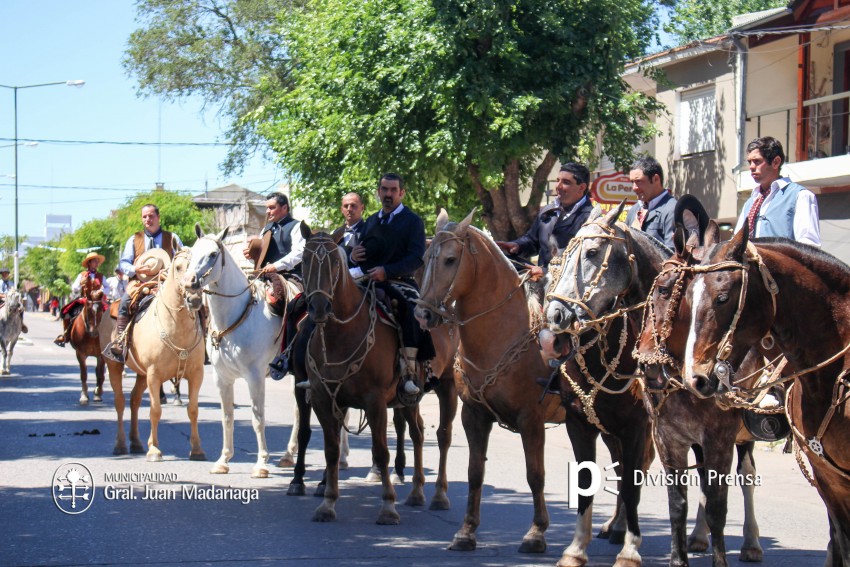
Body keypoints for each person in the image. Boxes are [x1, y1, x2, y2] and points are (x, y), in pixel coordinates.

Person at [349, 173, 430, 401]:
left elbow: (416, 258)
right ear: (378, 192)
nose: (388, 194)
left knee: (409, 309)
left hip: (400, 281)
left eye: (393, 190)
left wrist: (388, 271)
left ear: (401, 193)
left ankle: (410, 371)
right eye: (384, 189)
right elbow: (363, 254)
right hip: (367, 280)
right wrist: (353, 256)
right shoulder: (371, 221)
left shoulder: (413, 222)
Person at [276, 192, 370, 382]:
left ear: (362, 208)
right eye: (346, 206)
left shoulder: (369, 231)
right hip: (330, 286)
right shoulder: (334, 234)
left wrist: (351, 265)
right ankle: (290, 358)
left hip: (361, 282)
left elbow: (370, 257)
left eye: (353, 205)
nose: (349, 209)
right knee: (295, 306)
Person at [107, 204, 183, 362]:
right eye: (144, 217)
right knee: (125, 303)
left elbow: (182, 257)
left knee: (191, 301)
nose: (148, 219)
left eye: (151, 216)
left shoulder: (172, 238)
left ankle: (201, 342)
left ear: (158, 218)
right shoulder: (134, 239)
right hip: (139, 283)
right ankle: (120, 341)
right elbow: (124, 263)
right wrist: (136, 268)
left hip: (166, 282)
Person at [496, 162, 595, 278]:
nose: (558, 186)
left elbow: (589, 262)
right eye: (558, 180)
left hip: (570, 290)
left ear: (582, 188)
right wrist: (517, 245)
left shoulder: (592, 219)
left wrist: (546, 272)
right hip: (540, 285)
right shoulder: (548, 211)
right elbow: (533, 241)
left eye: (566, 182)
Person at [735, 136, 820, 245]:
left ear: (776, 162)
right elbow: (736, 244)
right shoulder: (750, 203)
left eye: (757, 161)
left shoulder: (800, 196)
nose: (751, 167)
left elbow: (809, 247)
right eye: (750, 162)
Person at [54, 252, 110, 347]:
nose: (97, 263)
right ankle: (66, 335)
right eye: (94, 261)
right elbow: (74, 288)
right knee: (67, 311)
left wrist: (101, 291)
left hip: (97, 301)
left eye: (97, 261)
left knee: (110, 315)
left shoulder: (101, 276)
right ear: (89, 263)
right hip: (84, 300)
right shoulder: (82, 275)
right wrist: (80, 283)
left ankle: (111, 338)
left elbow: (108, 288)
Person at [242, 192, 305, 276]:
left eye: (272, 208)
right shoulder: (266, 228)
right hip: (265, 276)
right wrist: (251, 255)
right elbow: (261, 256)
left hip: (290, 275)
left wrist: (277, 266)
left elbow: (299, 252)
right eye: (267, 208)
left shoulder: (297, 226)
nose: (267, 211)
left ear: (284, 208)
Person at [625, 156, 677, 250]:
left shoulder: (673, 210)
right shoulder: (634, 211)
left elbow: (672, 255)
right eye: (632, 182)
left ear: (655, 179)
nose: (634, 187)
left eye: (638, 181)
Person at [0, 267, 27, 333]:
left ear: (8, 274)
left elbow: (14, 292)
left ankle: (21, 324)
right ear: (1, 274)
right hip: (1, 299)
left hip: (10, 300)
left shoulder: (11, 283)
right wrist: (4, 296)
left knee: (21, 308)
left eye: (6, 273)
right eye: (3, 274)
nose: (4, 275)